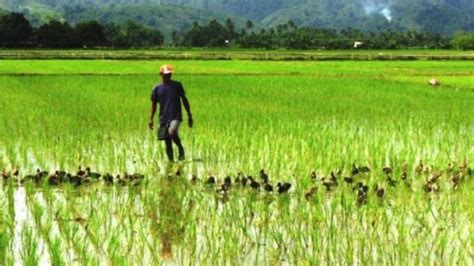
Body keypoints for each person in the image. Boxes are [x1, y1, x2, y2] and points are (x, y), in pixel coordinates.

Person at [149, 64, 193, 162]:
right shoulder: (156, 88)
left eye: (169, 74)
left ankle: (180, 148)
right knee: (167, 141)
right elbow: (153, 105)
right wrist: (151, 119)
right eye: (166, 74)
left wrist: (189, 115)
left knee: (171, 132)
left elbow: (184, 100)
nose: (168, 76)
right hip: (163, 117)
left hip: (175, 115)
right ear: (161, 74)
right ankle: (171, 163)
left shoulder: (177, 85)